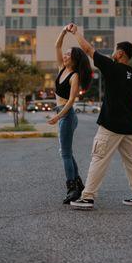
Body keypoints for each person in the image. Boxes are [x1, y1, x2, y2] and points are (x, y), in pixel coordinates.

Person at [67, 23, 132, 210]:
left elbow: (87, 49)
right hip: (129, 127)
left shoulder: (112, 67)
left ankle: (87, 197)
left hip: (111, 124)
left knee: (99, 157)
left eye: (114, 51)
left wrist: (75, 32)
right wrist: (130, 121)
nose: (113, 53)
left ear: (120, 54)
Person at [48, 27, 92, 204]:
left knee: (65, 153)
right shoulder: (61, 68)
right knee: (66, 152)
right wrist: (64, 31)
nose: (65, 56)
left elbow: (71, 101)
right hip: (62, 115)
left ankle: (72, 188)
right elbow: (57, 45)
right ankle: (78, 184)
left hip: (67, 115)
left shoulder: (74, 76)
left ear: (75, 59)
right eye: (65, 54)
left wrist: (58, 117)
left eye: (68, 54)